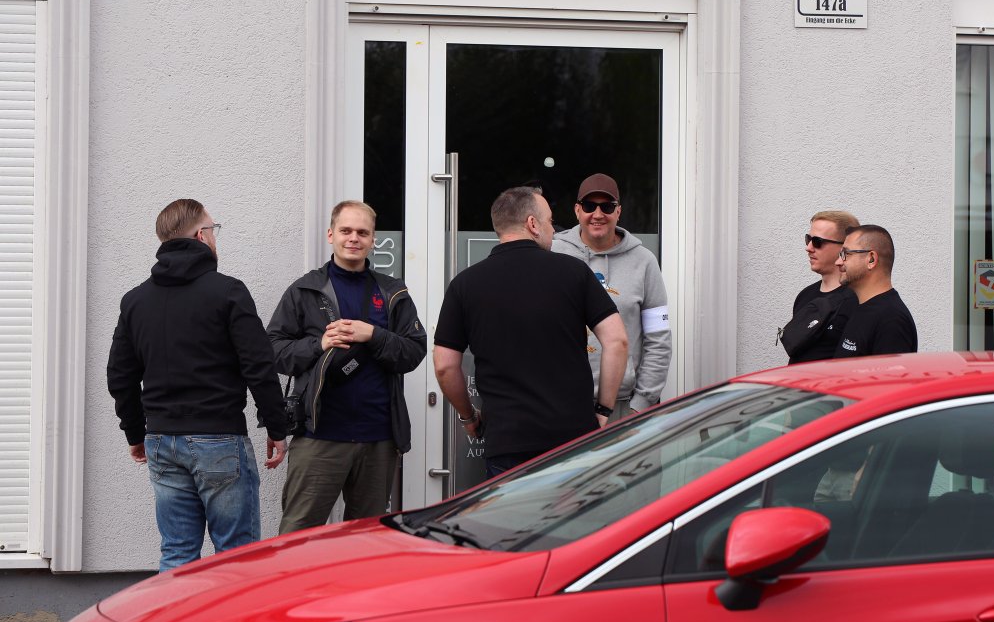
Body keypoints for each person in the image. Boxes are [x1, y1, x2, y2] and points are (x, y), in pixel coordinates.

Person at [106, 199, 288, 572]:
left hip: (161, 441)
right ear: (201, 236)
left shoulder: (136, 300)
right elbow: (259, 365)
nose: (214, 237)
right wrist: (277, 426)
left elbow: (119, 375)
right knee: (236, 557)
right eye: (213, 229)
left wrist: (135, 433)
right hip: (218, 438)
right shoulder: (228, 291)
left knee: (176, 554)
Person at [433, 186, 628, 479]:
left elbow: (445, 366)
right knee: (574, 525)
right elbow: (617, 341)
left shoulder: (465, 284)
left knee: (510, 525)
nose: (553, 229)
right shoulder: (574, 273)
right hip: (572, 438)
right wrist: (603, 409)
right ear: (532, 224)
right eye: (549, 221)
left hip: (507, 441)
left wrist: (469, 417)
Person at [268, 200, 427, 534]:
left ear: (373, 240)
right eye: (346, 230)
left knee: (365, 541)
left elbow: (414, 351)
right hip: (319, 435)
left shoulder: (392, 291)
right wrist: (319, 343)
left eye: (362, 232)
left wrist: (374, 335)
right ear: (331, 234)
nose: (353, 238)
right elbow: (273, 351)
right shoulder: (304, 290)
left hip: (378, 439)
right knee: (298, 536)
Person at [552, 173, 671, 419]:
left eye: (607, 207)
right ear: (576, 210)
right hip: (561, 403)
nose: (597, 214)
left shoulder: (644, 261)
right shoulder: (553, 254)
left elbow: (658, 337)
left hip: (623, 408)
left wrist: (640, 403)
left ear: (618, 212)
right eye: (588, 206)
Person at [780, 210, 861, 362]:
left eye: (817, 241)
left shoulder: (857, 300)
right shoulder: (805, 295)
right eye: (808, 239)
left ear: (844, 247)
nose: (809, 247)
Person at [833, 224, 918, 357]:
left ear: (871, 259)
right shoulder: (860, 308)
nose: (838, 262)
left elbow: (890, 377)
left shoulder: (891, 319)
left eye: (846, 254)